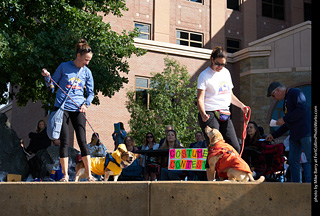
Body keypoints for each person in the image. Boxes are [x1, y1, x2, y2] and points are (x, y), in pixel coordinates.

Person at [42, 39, 95, 182]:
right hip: (62, 107)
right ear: (78, 55)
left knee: (82, 140)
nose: (87, 63)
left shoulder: (87, 72)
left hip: (78, 108)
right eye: (86, 59)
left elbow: (91, 93)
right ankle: (65, 176)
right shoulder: (64, 67)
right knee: (64, 141)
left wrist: (86, 104)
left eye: (89, 60)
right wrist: (47, 78)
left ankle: (89, 175)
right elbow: (52, 86)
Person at [197, 46, 248, 153]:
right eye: (217, 64)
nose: (220, 67)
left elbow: (230, 95)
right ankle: (211, 169)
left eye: (223, 64)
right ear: (212, 60)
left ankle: (229, 169)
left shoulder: (226, 73)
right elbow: (200, 99)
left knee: (234, 147)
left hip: (224, 112)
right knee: (216, 146)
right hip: (209, 113)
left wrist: (242, 106)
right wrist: (203, 114)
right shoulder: (204, 75)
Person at [266, 82, 311, 183]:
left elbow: (302, 109)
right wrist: (274, 135)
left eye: (273, 95)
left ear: (278, 90)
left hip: (305, 132)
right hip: (295, 135)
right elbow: (287, 123)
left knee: (310, 157)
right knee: (293, 161)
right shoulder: (286, 100)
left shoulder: (295, 93)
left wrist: (285, 118)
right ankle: (296, 186)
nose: (274, 98)